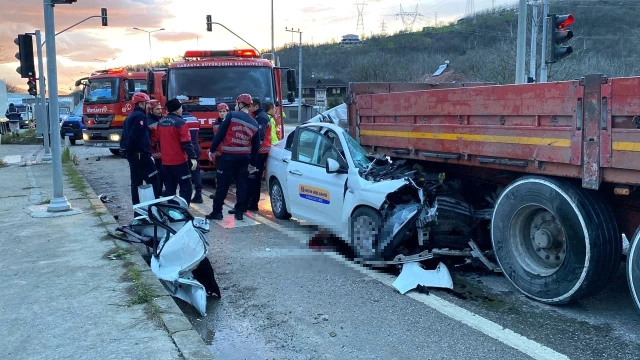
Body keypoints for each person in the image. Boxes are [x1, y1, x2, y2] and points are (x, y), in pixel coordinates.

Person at [206, 94, 260, 221]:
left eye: (236, 104)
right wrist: (253, 163)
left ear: (241, 104)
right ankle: (239, 212)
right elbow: (256, 146)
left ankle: (217, 212)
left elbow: (220, 134)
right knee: (242, 185)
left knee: (222, 186)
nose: (235, 107)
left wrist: (212, 149)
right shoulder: (254, 123)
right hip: (244, 158)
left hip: (228, 157)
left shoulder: (231, 116)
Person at [123, 92, 161, 213]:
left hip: (133, 155)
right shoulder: (140, 117)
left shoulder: (130, 117)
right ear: (140, 104)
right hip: (141, 155)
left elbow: (125, 136)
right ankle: (154, 208)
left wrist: (127, 151)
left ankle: (138, 211)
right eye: (146, 103)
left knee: (136, 183)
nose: (148, 106)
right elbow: (136, 136)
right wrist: (146, 153)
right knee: (154, 180)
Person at [156, 99, 198, 205]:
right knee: (186, 189)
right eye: (180, 107)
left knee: (170, 190)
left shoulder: (160, 122)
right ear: (176, 109)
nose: (181, 109)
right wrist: (192, 157)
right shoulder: (181, 122)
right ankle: (183, 211)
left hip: (165, 163)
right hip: (180, 162)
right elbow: (186, 142)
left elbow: (157, 142)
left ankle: (173, 213)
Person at [236, 97, 272, 214]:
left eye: (251, 106)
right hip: (260, 152)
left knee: (253, 179)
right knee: (253, 179)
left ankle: (252, 204)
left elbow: (260, 137)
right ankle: (251, 203)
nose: (249, 108)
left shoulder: (260, 117)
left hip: (260, 153)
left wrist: (253, 153)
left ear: (256, 106)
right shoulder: (260, 116)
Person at [182, 105, 203, 203]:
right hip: (196, 146)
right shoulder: (195, 119)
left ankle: (186, 196)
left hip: (187, 148)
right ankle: (199, 194)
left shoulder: (181, 120)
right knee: (196, 171)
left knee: (186, 173)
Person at [147, 100, 165, 195]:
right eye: (157, 109)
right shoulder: (148, 121)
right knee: (156, 176)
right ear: (151, 110)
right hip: (154, 154)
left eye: (160, 109)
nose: (160, 111)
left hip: (163, 153)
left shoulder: (162, 119)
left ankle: (158, 194)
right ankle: (155, 196)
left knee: (162, 176)